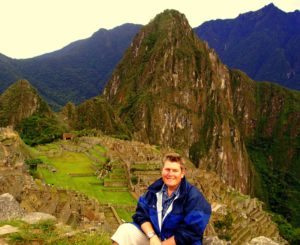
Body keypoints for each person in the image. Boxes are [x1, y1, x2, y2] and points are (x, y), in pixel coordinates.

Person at [111, 153, 211, 245]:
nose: (170, 174)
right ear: (162, 170)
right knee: (125, 231)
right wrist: (152, 236)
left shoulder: (194, 197)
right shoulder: (154, 191)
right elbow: (141, 215)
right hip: (156, 239)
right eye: (167, 169)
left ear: (182, 173)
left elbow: (191, 232)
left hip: (178, 243)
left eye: (175, 170)